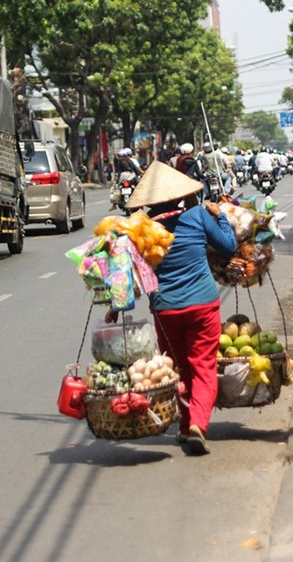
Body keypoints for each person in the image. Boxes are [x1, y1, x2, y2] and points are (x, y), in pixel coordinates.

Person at [122, 160, 237, 455]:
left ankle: (186, 427)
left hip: (165, 310)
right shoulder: (198, 215)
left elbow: (133, 273)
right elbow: (227, 246)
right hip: (203, 305)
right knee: (203, 367)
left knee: (178, 369)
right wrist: (220, 216)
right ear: (181, 195)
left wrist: (116, 306)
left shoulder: (142, 228)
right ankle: (197, 423)